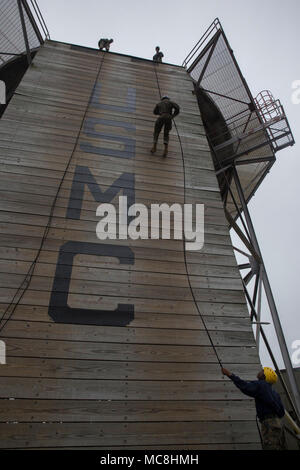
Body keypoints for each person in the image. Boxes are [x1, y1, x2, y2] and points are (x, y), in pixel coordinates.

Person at [221, 366, 287, 450]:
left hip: (269, 423)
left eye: (262, 371)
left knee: (271, 447)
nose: (260, 371)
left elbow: (245, 386)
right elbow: (282, 412)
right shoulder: (275, 393)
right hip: (279, 424)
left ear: (265, 375)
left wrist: (229, 374)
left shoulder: (261, 385)